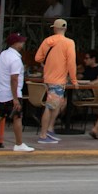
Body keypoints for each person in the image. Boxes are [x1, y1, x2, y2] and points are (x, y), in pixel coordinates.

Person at [34, 17, 79, 145]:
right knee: (51, 106)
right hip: (59, 79)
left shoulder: (48, 41)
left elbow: (37, 58)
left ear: (54, 28)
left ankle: (49, 129)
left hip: (48, 78)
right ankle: (43, 134)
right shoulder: (69, 43)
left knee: (57, 103)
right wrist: (74, 80)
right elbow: (71, 63)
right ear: (65, 28)